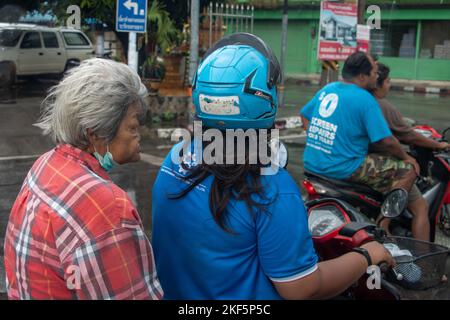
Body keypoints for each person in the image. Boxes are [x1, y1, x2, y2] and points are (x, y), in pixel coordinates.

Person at [151, 34, 394, 300]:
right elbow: (301, 288)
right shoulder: (269, 186)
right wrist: (366, 256)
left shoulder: (177, 155)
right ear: (266, 100)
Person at [3, 58, 163, 300]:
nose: (138, 136)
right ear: (96, 134)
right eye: (132, 127)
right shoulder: (106, 207)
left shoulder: (48, 163)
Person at [300, 52, 419, 202]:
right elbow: (386, 141)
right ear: (363, 76)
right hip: (344, 168)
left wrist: (316, 137)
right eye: (375, 73)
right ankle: (385, 220)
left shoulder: (329, 88)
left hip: (311, 163)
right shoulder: (365, 100)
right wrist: (406, 157)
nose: (377, 77)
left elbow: (304, 115)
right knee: (409, 170)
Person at [370, 63, 449, 240]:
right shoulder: (380, 105)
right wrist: (439, 145)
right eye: (388, 81)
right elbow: (407, 135)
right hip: (379, 162)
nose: (389, 85)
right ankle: (422, 255)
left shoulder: (357, 99)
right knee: (420, 205)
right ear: (378, 82)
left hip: (360, 160)